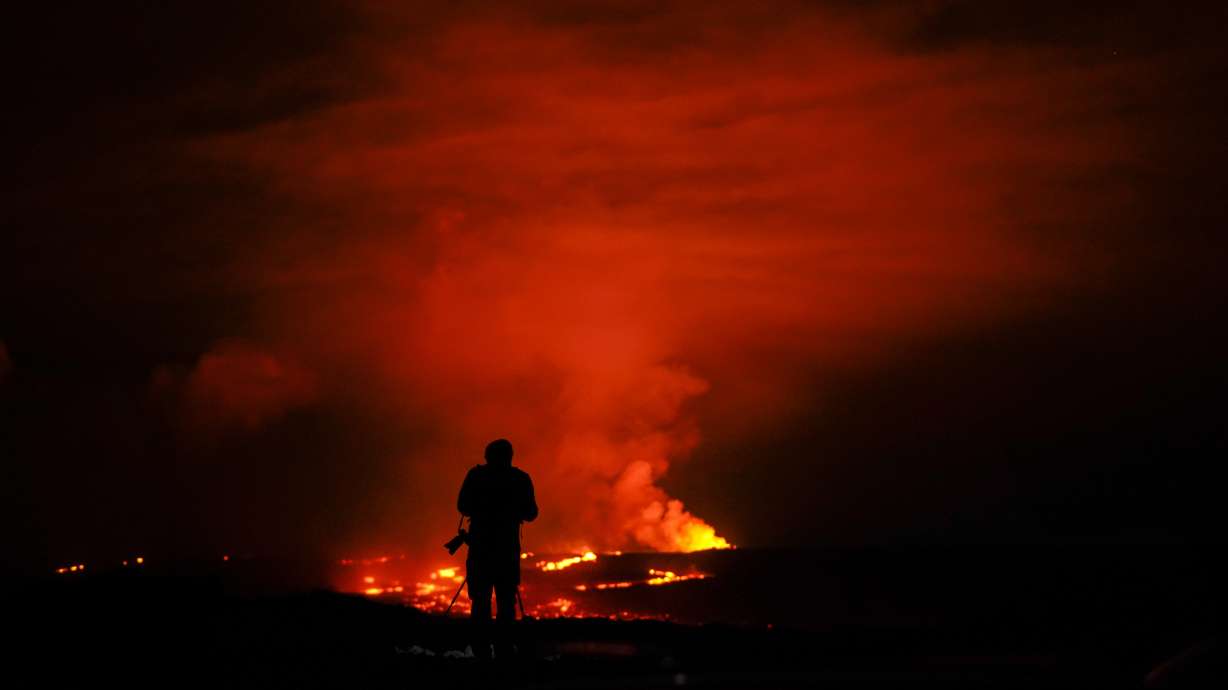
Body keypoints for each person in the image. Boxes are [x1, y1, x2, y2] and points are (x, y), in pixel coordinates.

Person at [456, 438, 538, 659]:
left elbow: (462, 505)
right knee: (506, 603)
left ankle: (481, 652)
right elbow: (531, 513)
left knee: (480, 602)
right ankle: (504, 651)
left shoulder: (476, 476)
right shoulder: (520, 479)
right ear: (510, 456)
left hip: (481, 549)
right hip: (506, 551)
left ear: (487, 456)